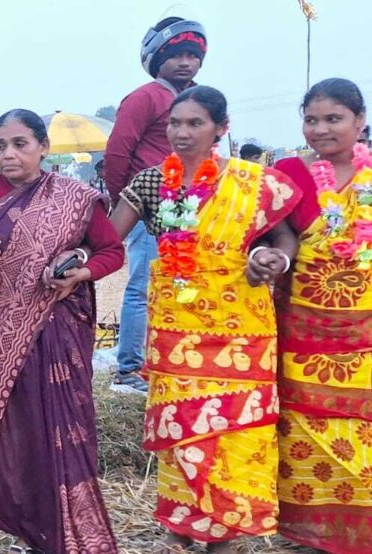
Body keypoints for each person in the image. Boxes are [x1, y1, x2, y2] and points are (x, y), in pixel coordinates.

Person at [110, 86, 300, 553]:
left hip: (242, 329)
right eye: (175, 123)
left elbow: (284, 238)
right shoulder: (152, 182)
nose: (182, 132)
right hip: (176, 330)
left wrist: (275, 260)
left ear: (221, 128)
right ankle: (180, 526)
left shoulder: (253, 182)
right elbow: (108, 238)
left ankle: (226, 533)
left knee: (236, 431)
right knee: (181, 425)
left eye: (195, 123)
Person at [0, 109, 123, 553]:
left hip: (60, 327)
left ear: (43, 147)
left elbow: (112, 251)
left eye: (20, 144)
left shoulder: (75, 196)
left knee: (64, 423)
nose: (8, 154)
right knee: (18, 428)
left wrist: (80, 269)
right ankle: (30, 529)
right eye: (0, 146)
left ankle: (70, 528)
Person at [272, 78, 372, 554]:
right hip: (303, 329)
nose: (320, 129)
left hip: (365, 333)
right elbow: (274, 237)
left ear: (360, 122)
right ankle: (313, 533)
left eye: (334, 118)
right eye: (311, 119)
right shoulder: (289, 174)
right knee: (304, 432)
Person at [103, 16, 208, 395]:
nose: (186, 63)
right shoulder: (146, 97)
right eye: (177, 55)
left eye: (193, 56)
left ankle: (167, 359)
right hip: (149, 208)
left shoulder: (195, 100)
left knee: (180, 283)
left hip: (187, 209)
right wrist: (127, 203)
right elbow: (117, 153)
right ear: (157, 58)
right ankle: (129, 370)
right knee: (143, 288)